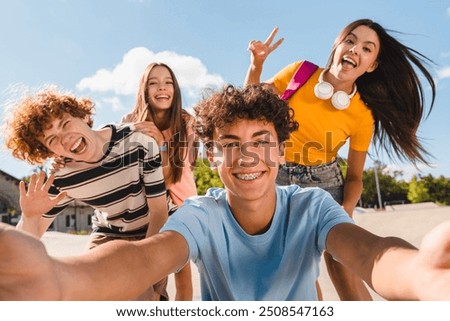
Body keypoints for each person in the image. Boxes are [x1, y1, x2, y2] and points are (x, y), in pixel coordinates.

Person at [1, 84, 449, 301]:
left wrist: (419, 273)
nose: (247, 156)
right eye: (230, 146)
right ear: (211, 157)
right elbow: (144, 256)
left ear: (282, 150)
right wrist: (61, 281)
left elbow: (370, 253)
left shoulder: (313, 206)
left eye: (261, 141)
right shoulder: (201, 214)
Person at [244, 19, 436, 300]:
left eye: (367, 48)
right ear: (337, 46)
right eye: (350, 40)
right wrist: (256, 64)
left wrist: (345, 209)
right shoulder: (300, 72)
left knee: (345, 269)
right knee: (294, 273)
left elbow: (355, 177)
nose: (355, 49)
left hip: (326, 184)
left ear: (371, 65)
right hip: (278, 179)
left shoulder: (361, 116)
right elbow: (249, 104)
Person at [3, 87, 170, 300]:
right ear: (49, 152)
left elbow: (159, 212)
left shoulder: (139, 142)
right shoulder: (62, 178)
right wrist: (31, 217)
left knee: (144, 297)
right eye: (52, 140)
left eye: (65, 124)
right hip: (108, 236)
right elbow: (23, 245)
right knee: (90, 296)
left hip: (151, 230)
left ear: (81, 115)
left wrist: (147, 268)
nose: (65, 138)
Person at [121, 62, 198, 300]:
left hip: (180, 204)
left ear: (175, 88)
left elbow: (174, 171)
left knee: (182, 276)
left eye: (168, 82)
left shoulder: (186, 121)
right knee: (148, 277)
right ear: (144, 90)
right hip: (144, 207)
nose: (162, 88)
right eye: (153, 83)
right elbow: (125, 168)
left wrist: (160, 144)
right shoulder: (130, 120)